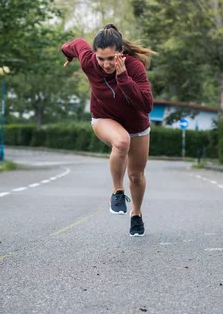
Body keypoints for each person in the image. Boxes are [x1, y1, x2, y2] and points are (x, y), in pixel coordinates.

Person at [61, 24, 156, 237]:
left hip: (137, 125)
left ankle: (136, 214)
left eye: (111, 58)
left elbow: (147, 105)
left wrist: (124, 78)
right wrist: (67, 53)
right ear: (94, 55)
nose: (106, 64)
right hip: (104, 119)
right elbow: (74, 44)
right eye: (101, 59)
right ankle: (117, 192)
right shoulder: (89, 61)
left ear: (121, 53)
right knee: (121, 141)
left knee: (136, 175)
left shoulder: (134, 67)